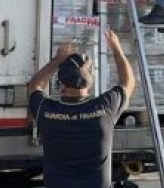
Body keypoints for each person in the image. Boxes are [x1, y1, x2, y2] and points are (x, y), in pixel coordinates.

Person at [27, 30, 136, 188]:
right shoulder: (106, 107)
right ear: (90, 84)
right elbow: (128, 82)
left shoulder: (46, 110)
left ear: (61, 85)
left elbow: (34, 85)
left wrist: (58, 59)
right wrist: (116, 48)